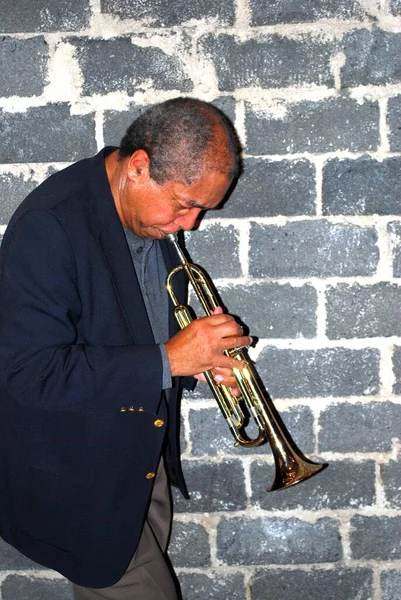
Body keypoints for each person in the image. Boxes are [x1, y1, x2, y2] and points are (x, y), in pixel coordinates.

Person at [0, 98, 250, 599]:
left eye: (202, 209)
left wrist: (194, 361)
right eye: (185, 204)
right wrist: (170, 358)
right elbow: (27, 372)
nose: (190, 225)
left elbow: (125, 329)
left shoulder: (143, 217)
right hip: (81, 476)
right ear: (138, 167)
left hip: (138, 459)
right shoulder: (50, 227)